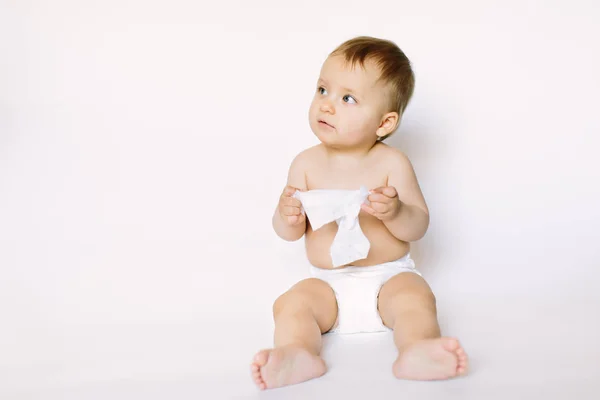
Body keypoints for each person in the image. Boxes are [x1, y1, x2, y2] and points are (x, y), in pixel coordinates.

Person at [250, 36, 469, 390]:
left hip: (387, 277)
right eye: (323, 89)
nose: (327, 105)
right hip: (327, 284)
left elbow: (418, 226)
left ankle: (417, 349)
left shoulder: (391, 163)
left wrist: (396, 211)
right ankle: (297, 353)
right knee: (291, 304)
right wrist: (286, 215)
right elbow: (289, 233)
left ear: (384, 124)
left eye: (347, 98)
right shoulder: (305, 164)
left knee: (415, 298)